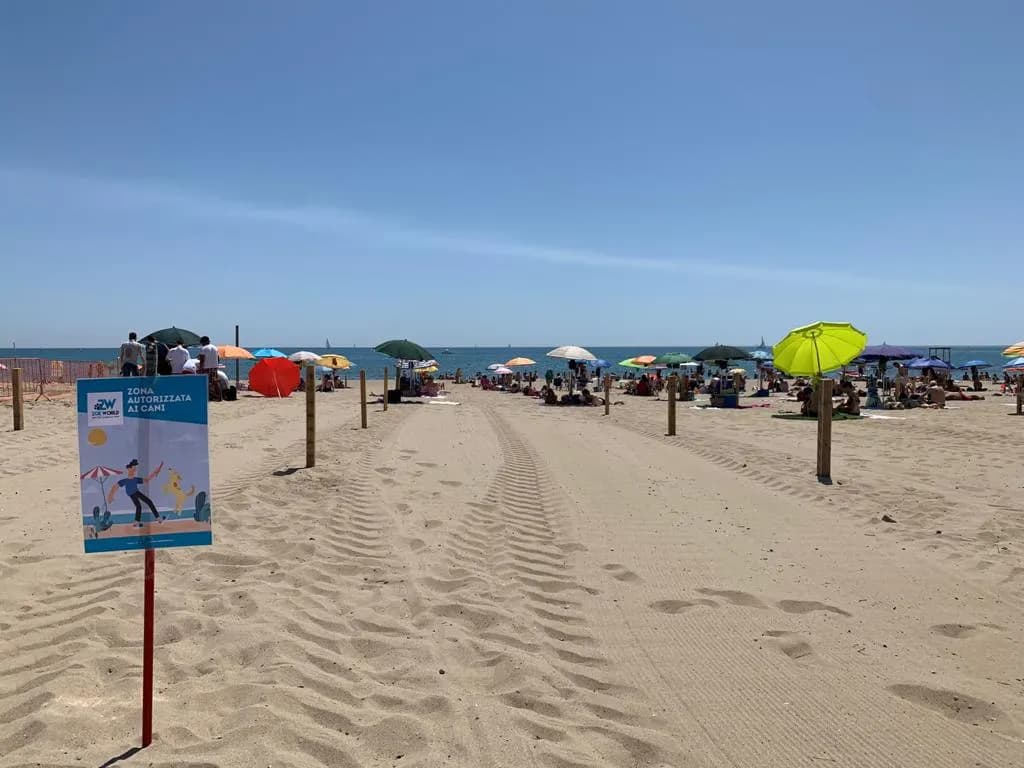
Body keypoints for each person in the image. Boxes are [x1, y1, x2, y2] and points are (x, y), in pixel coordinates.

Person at [108, 459, 165, 526]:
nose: (135, 470)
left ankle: (139, 521)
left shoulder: (135, 479)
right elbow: (114, 487)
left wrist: (154, 472)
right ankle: (154, 519)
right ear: (129, 469)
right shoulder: (125, 481)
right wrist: (110, 497)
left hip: (135, 492)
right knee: (143, 504)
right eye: (133, 468)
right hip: (133, 493)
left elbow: (146, 480)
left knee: (143, 504)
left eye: (135, 468)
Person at [198, 336, 222, 401]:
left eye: (201, 343)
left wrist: (200, 368)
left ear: (203, 342)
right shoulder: (215, 348)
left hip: (206, 368)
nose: (201, 344)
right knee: (215, 382)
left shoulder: (204, 348)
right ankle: (219, 397)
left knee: (205, 383)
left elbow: (202, 360)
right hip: (214, 367)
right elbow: (218, 358)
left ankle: (209, 396)